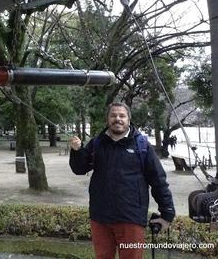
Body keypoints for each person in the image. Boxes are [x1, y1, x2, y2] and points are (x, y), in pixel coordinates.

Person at [69, 102, 175, 259]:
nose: (117, 119)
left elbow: (158, 180)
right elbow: (79, 169)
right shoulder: (97, 143)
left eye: (122, 116)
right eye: (113, 115)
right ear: (108, 120)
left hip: (131, 218)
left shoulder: (142, 145)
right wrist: (76, 151)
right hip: (100, 216)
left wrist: (167, 213)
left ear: (128, 119)